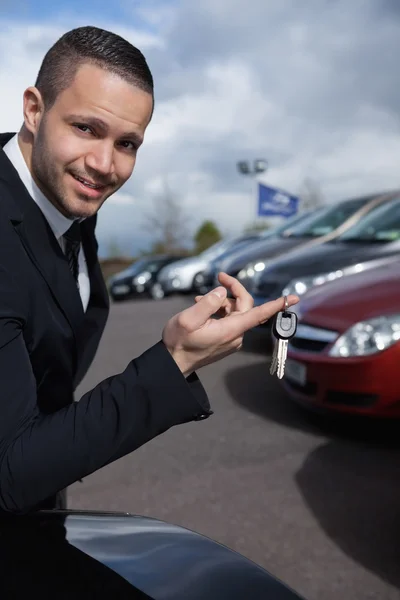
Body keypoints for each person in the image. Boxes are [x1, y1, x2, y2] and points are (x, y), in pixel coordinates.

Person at [0, 25, 298, 515]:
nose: (104, 164)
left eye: (128, 144)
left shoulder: (62, 193)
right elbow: (8, 472)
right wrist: (175, 359)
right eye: (86, 128)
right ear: (34, 109)